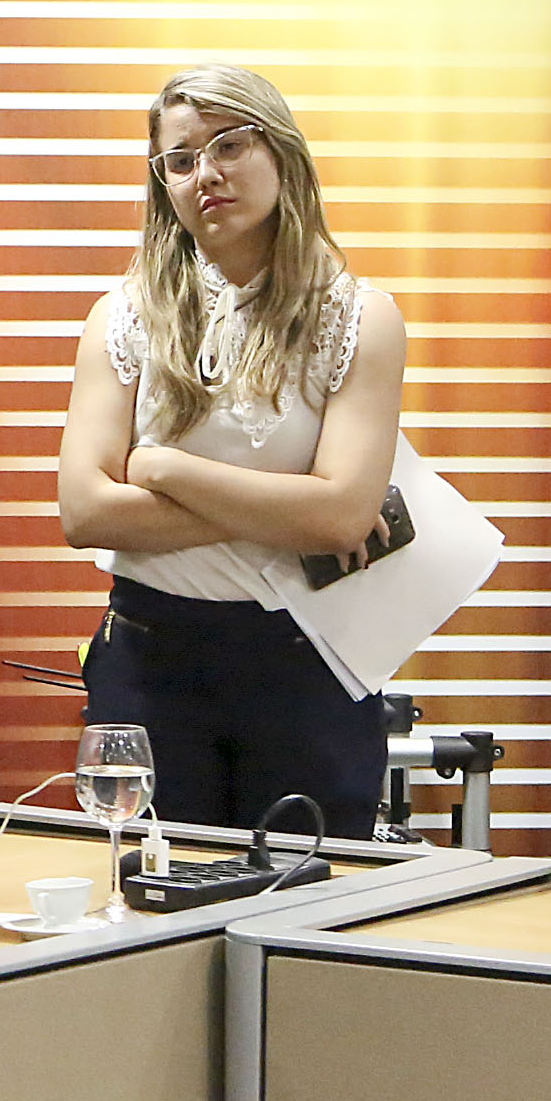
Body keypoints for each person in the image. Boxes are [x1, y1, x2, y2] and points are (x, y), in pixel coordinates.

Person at [57, 64, 410, 836]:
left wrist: (162, 469)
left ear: (282, 152)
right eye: (181, 160)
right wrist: (289, 506)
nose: (206, 174)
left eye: (229, 145)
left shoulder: (360, 318)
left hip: (309, 656)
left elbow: (341, 518)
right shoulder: (123, 316)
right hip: (148, 658)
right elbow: (85, 512)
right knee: (152, 890)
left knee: (313, 893)